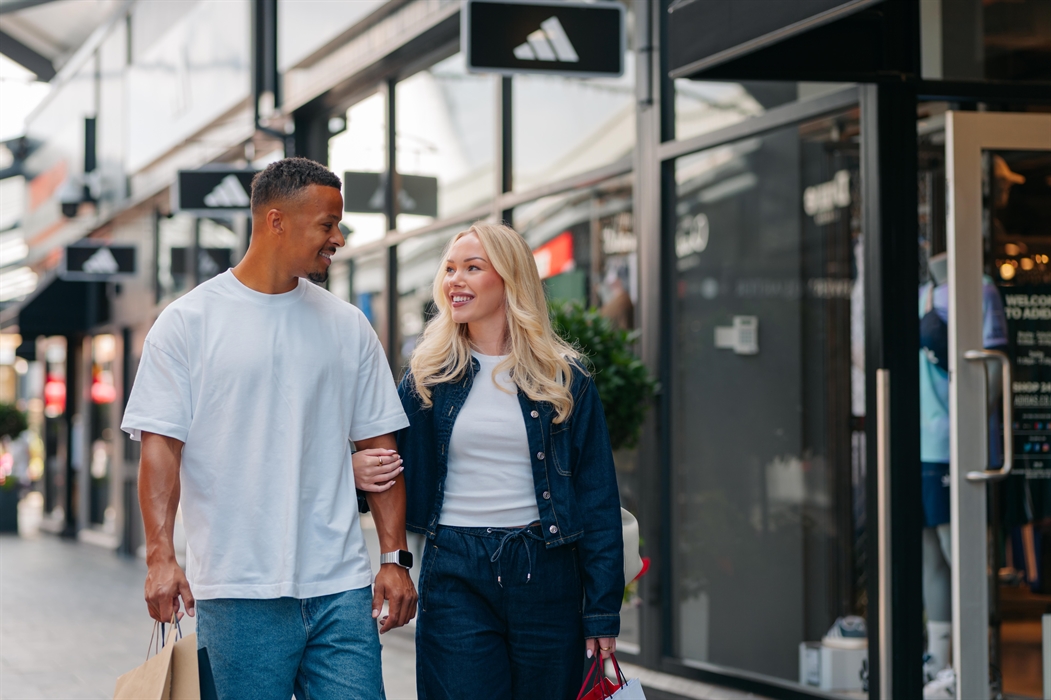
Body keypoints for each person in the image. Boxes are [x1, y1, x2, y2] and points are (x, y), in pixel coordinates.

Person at [121, 158, 416, 700]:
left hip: (341, 590)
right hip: (237, 591)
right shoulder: (188, 323)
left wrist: (394, 559)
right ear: (276, 221)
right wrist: (161, 556)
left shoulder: (347, 325)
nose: (339, 238)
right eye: (327, 224)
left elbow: (382, 449)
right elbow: (160, 450)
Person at [354, 222, 624, 700]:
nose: (454, 280)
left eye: (472, 268)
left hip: (546, 569)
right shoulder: (428, 376)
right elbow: (389, 467)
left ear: (510, 280)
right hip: (456, 568)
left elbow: (597, 496)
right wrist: (352, 475)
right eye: (450, 269)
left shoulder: (564, 379)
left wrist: (602, 610)